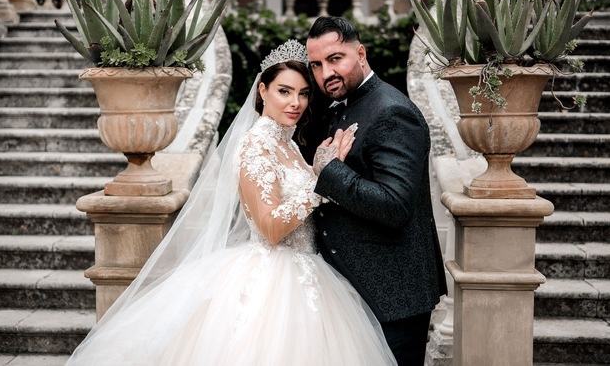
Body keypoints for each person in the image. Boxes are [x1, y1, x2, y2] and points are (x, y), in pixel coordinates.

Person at [65, 40, 397, 366]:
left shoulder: (289, 143)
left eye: (303, 93)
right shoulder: (255, 145)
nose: (296, 102)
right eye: (284, 91)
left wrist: (322, 168)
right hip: (274, 281)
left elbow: (298, 195)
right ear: (262, 91)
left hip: (309, 271)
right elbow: (270, 228)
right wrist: (323, 183)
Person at [304, 16, 448, 366]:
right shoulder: (342, 104)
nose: (326, 73)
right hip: (355, 292)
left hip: (393, 295)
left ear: (361, 54)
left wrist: (330, 171)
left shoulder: (392, 112)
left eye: (335, 58)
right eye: (317, 65)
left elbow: (395, 206)